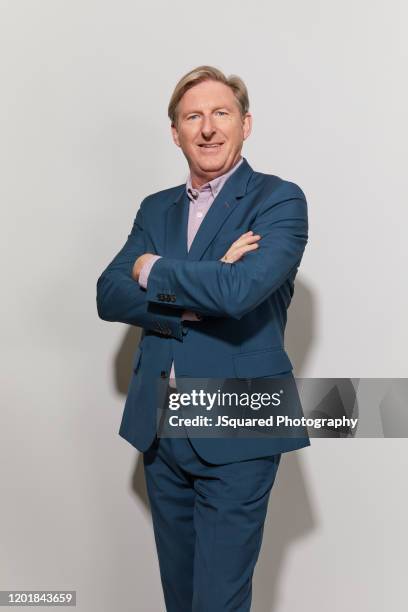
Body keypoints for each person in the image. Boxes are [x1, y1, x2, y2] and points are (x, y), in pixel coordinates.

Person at [97, 65, 310, 611]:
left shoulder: (279, 199)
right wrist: (198, 291)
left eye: (221, 113)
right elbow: (109, 295)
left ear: (246, 124)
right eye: (193, 116)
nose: (208, 128)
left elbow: (241, 292)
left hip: (239, 423)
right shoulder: (155, 208)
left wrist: (152, 267)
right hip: (161, 428)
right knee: (182, 598)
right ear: (176, 132)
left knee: (217, 603)